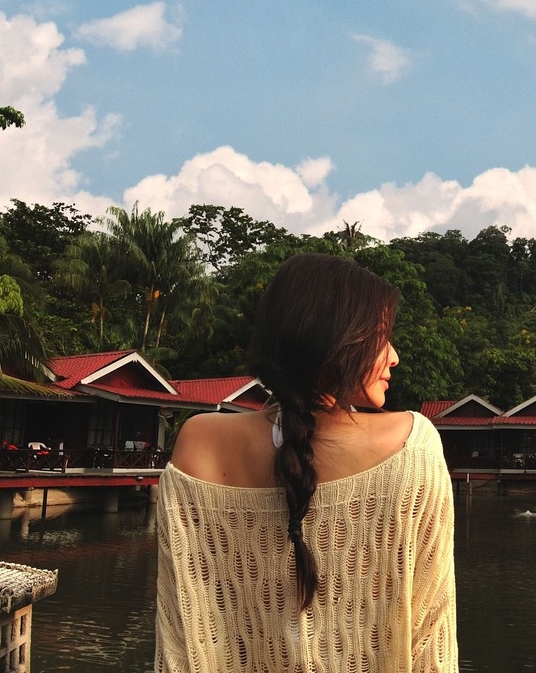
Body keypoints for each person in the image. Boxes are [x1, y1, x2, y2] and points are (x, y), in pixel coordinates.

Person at [154, 252, 458, 673]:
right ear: (338, 338)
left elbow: (180, 641)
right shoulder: (411, 445)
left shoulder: (200, 442)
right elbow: (430, 642)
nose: (394, 357)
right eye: (382, 337)